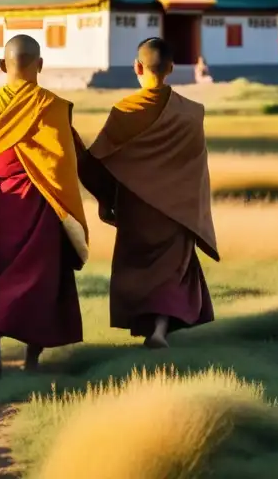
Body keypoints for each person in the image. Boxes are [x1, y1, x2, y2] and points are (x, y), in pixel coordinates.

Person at [0, 35, 87, 383]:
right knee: (41, 281)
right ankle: (31, 363)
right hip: (42, 209)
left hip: (2, 209)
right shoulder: (54, 106)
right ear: (40, 65)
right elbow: (66, 161)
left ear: (1, 65)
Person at [79, 38, 217, 350]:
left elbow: (98, 160)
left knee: (139, 270)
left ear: (137, 68)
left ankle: (150, 327)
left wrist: (105, 200)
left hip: (135, 209)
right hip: (176, 209)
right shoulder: (192, 113)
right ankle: (159, 329)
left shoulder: (125, 111)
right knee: (172, 271)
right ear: (170, 68)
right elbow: (196, 168)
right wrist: (196, 213)